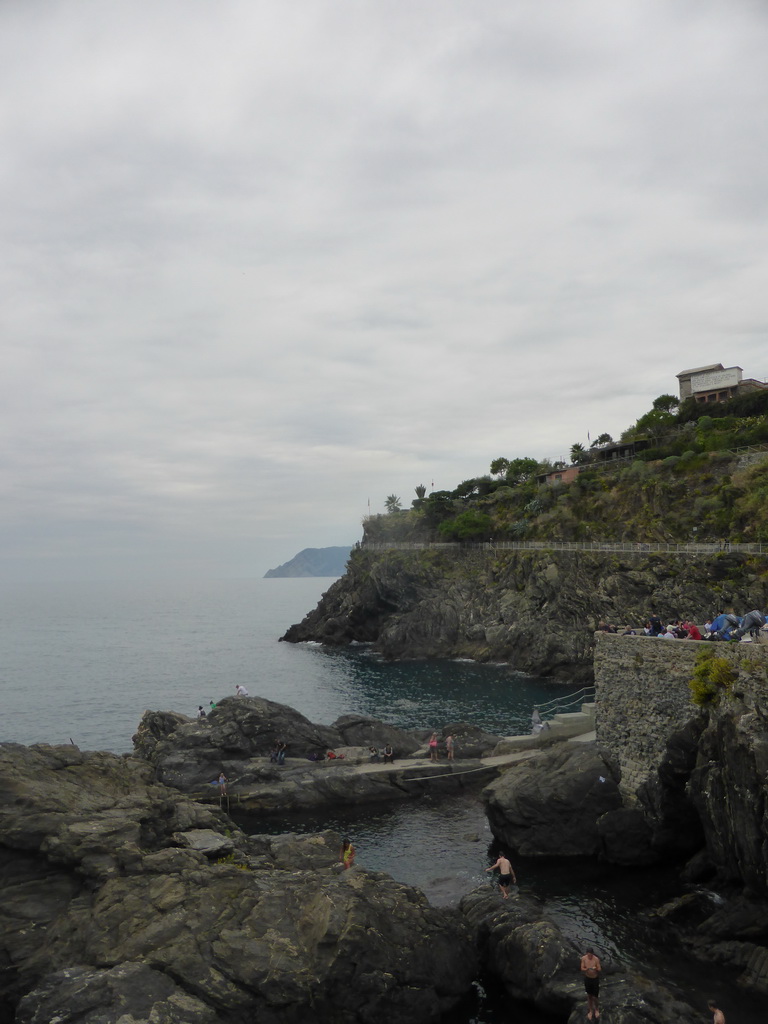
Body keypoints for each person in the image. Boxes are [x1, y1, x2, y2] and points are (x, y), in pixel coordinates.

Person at [580, 947, 601, 1020]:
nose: (590, 957)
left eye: (591, 955)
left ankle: (597, 1009)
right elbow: (582, 968)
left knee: (595, 996)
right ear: (586, 954)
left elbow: (599, 968)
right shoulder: (584, 958)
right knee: (589, 995)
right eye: (588, 955)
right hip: (587, 978)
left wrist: (595, 968)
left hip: (595, 979)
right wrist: (588, 969)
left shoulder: (596, 959)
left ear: (592, 954)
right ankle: (590, 1011)